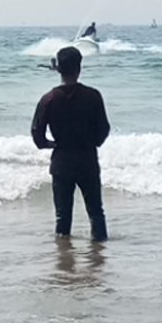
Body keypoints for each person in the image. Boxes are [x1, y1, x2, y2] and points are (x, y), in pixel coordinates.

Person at [31, 45, 110, 240]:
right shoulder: (93, 96)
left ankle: (64, 262)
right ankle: (99, 260)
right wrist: (92, 143)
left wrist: (54, 145)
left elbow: (37, 136)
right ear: (79, 68)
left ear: (58, 69)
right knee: (96, 213)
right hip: (87, 159)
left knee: (62, 217)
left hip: (62, 161)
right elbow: (104, 129)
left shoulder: (48, 99)